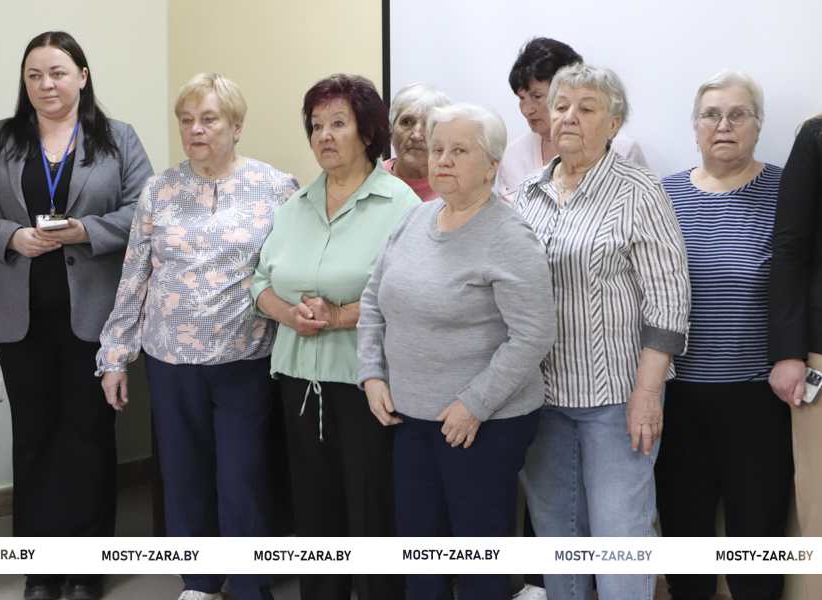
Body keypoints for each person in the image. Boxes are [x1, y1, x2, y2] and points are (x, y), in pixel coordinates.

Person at [0, 31, 153, 600]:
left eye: (58, 72)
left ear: (82, 77)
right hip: (19, 320)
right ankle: (41, 571)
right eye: (35, 74)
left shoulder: (117, 138)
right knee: (35, 438)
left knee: (89, 438)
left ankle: (86, 570)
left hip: (94, 317)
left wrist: (86, 230)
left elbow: (144, 209)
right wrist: (11, 235)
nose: (46, 84)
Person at [96, 73, 298, 600]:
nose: (196, 130)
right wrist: (114, 356)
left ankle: (251, 583)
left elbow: (291, 269)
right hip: (170, 360)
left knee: (243, 475)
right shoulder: (158, 189)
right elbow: (134, 276)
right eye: (187, 120)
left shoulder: (277, 187)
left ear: (236, 125)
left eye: (209, 119)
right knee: (184, 475)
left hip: (245, 357)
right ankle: (201, 582)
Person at [357, 103, 556, 600]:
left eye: (459, 150)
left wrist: (475, 404)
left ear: (491, 166)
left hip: (484, 425)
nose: (442, 159)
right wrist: (372, 374)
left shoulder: (508, 236)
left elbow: (533, 334)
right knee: (420, 551)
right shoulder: (414, 218)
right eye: (438, 148)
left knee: (478, 560)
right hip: (411, 419)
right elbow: (373, 300)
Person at [512, 63, 690, 600]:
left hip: (617, 397)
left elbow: (669, 301)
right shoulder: (529, 191)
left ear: (614, 124)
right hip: (541, 395)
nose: (568, 116)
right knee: (557, 534)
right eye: (561, 105)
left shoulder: (639, 191)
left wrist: (647, 393)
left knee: (621, 534)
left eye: (586, 108)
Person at [251, 74, 418, 600]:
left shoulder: (401, 204)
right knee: (315, 513)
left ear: (367, 133)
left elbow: (410, 294)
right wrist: (289, 313)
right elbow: (259, 282)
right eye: (316, 125)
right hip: (300, 380)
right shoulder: (296, 203)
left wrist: (340, 315)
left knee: (372, 513)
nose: (324, 135)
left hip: (367, 382)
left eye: (338, 123)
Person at [655, 70, 791, 600]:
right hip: (674, 395)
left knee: (756, 534)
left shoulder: (786, 191)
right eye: (710, 115)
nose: (723, 125)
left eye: (738, 114)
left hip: (757, 395)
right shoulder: (662, 195)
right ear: (695, 127)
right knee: (683, 530)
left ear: (758, 125)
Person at [768, 111, 822, 600]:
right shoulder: (817, 135)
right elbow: (789, 247)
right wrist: (788, 353)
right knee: (820, 507)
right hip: (821, 354)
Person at [498, 37, 650, 206]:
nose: (527, 110)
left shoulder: (622, 149)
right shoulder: (512, 155)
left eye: (537, 96)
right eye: (521, 98)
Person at [382, 82, 451, 201]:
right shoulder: (368, 179)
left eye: (428, 125)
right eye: (407, 122)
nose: (417, 136)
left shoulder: (455, 189)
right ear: (391, 129)